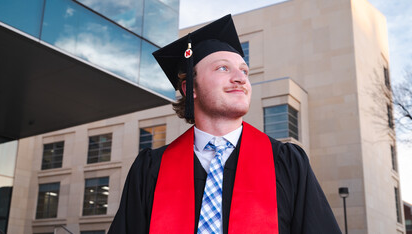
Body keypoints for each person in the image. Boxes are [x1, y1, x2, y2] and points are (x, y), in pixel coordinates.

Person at [108, 14, 341, 234]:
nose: (241, 78)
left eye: (244, 71)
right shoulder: (150, 169)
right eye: (223, 68)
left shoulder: (286, 162)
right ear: (190, 89)